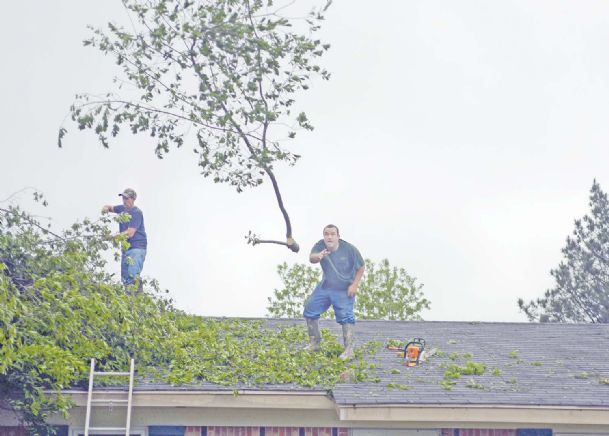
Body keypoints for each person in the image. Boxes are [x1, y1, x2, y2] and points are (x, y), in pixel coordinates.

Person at [303, 224, 365, 360]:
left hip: (344, 288)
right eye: (326, 234)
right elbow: (311, 258)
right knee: (310, 309)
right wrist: (319, 256)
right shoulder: (320, 246)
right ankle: (315, 343)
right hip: (326, 286)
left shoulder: (349, 249)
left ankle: (349, 350)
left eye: (332, 234)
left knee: (345, 316)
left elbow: (361, 267)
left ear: (338, 236)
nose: (329, 237)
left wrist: (354, 285)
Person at [102, 188, 147, 288]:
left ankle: (136, 298)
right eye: (123, 198)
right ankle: (128, 299)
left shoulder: (136, 212)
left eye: (126, 199)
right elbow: (110, 208)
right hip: (126, 248)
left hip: (137, 247)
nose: (124, 201)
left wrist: (112, 237)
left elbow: (130, 233)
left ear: (133, 199)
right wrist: (105, 208)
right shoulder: (122, 209)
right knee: (125, 278)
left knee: (132, 275)